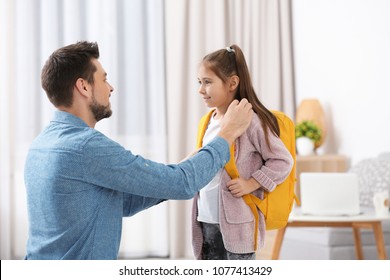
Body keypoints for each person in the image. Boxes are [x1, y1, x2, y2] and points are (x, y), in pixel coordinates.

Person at [24, 41, 253, 260]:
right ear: (83, 86)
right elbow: (181, 184)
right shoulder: (86, 147)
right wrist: (226, 135)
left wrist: (185, 166)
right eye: (104, 79)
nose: (111, 87)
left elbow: (122, 203)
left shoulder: (40, 145)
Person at [191, 44, 294, 260]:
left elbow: (283, 160)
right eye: (199, 82)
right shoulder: (207, 122)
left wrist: (251, 183)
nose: (201, 89)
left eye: (207, 82)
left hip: (238, 223)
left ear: (232, 83)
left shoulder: (251, 121)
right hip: (205, 218)